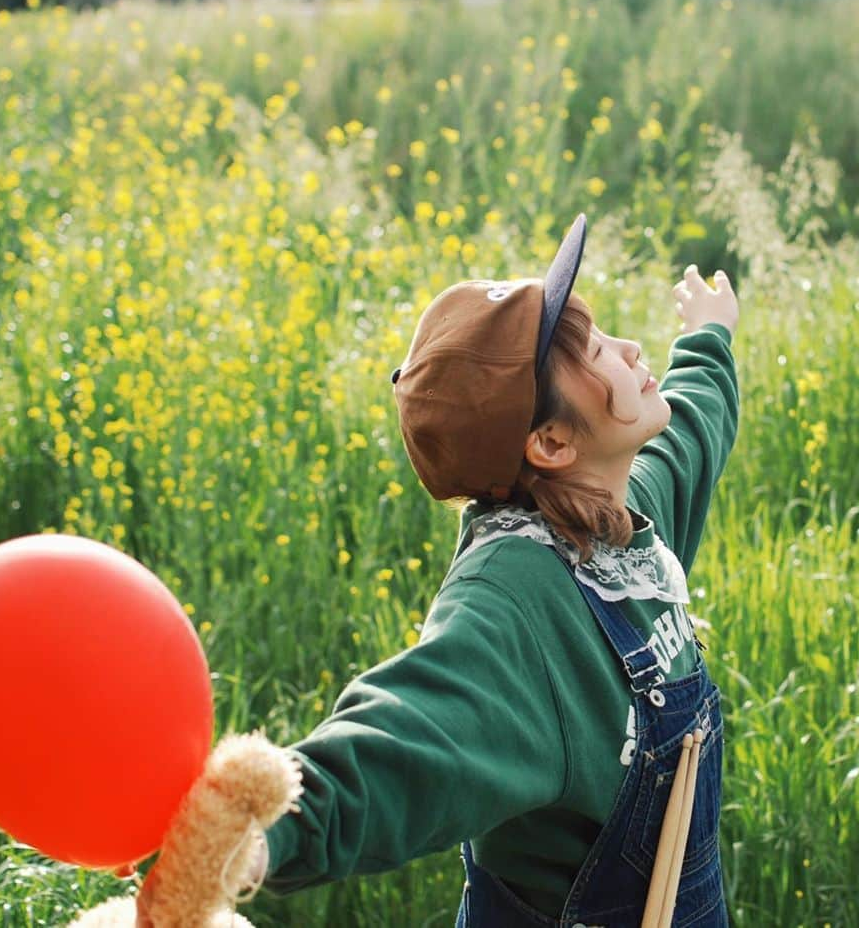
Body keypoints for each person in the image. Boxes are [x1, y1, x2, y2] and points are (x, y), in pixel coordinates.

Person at [142, 212, 740, 927]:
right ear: (549, 439)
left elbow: (694, 433)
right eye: (596, 351)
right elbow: (412, 739)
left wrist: (708, 336)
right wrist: (255, 836)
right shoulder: (518, 596)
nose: (631, 347)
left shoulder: (623, 515)